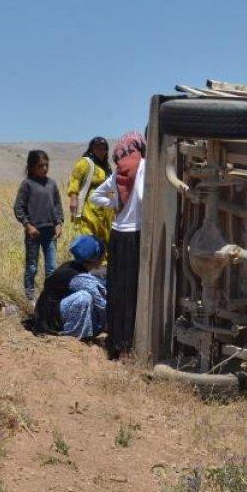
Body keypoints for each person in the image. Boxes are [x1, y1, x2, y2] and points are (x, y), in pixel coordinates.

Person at [91, 131, 146, 359]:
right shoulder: (144, 166)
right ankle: (128, 345)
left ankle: (115, 343)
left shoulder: (119, 172)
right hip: (135, 235)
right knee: (132, 290)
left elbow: (95, 196)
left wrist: (115, 201)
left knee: (116, 288)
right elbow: (143, 196)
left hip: (116, 235)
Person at [31, 235, 107, 339]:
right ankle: (74, 335)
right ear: (94, 258)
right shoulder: (80, 279)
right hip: (51, 323)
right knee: (84, 297)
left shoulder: (70, 265)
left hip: (47, 314)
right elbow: (102, 303)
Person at [14, 150, 64, 301]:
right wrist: (27, 226)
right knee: (32, 267)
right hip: (33, 232)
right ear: (32, 167)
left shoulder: (52, 184)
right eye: (40, 165)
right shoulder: (27, 184)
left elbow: (57, 206)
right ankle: (29, 298)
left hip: (50, 231)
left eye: (46, 165)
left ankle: (50, 297)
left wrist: (59, 223)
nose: (44, 168)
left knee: (51, 268)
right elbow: (18, 208)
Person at [67, 137, 114, 251]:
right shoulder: (85, 162)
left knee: (104, 237)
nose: (101, 151)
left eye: (104, 148)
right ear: (92, 149)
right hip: (89, 208)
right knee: (88, 235)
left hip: (105, 209)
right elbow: (75, 179)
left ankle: (102, 262)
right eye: (97, 148)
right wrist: (73, 199)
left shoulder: (107, 167)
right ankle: (88, 261)